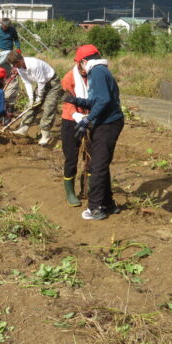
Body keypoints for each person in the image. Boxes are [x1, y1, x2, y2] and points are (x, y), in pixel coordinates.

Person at [63, 45, 125, 220]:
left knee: (96, 166)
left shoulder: (96, 72)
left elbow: (103, 100)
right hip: (110, 122)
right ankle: (108, 204)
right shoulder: (102, 71)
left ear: (83, 61)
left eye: (79, 63)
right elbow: (96, 100)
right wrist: (75, 101)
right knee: (101, 163)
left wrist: (88, 120)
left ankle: (96, 207)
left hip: (107, 124)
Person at [6, 51, 62, 146]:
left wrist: (39, 97)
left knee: (49, 108)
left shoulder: (34, 64)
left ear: (20, 60)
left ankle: (45, 134)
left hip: (52, 83)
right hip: (41, 84)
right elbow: (27, 83)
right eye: (14, 65)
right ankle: (23, 129)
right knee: (31, 106)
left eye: (16, 64)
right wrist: (31, 98)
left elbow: (41, 82)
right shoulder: (19, 68)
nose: (16, 67)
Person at [60, 45, 92, 207]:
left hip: (92, 119)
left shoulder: (96, 76)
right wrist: (78, 116)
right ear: (79, 63)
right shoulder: (69, 78)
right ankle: (70, 192)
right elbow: (68, 103)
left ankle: (87, 188)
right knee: (71, 157)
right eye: (84, 63)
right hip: (71, 121)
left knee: (90, 156)